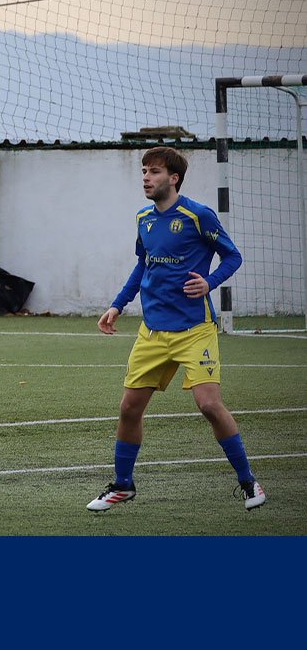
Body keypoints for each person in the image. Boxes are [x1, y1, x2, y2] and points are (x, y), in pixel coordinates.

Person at [90, 146, 264, 512]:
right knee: (129, 408)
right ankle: (123, 485)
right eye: (143, 171)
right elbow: (143, 265)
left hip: (194, 330)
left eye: (153, 172)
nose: (146, 178)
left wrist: (209, 282)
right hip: (153, 332)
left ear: (174, 178)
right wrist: (118, 305)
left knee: (209, 405)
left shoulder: (198, 215)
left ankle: (249, 482)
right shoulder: (143, 218)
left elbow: (232, 256)